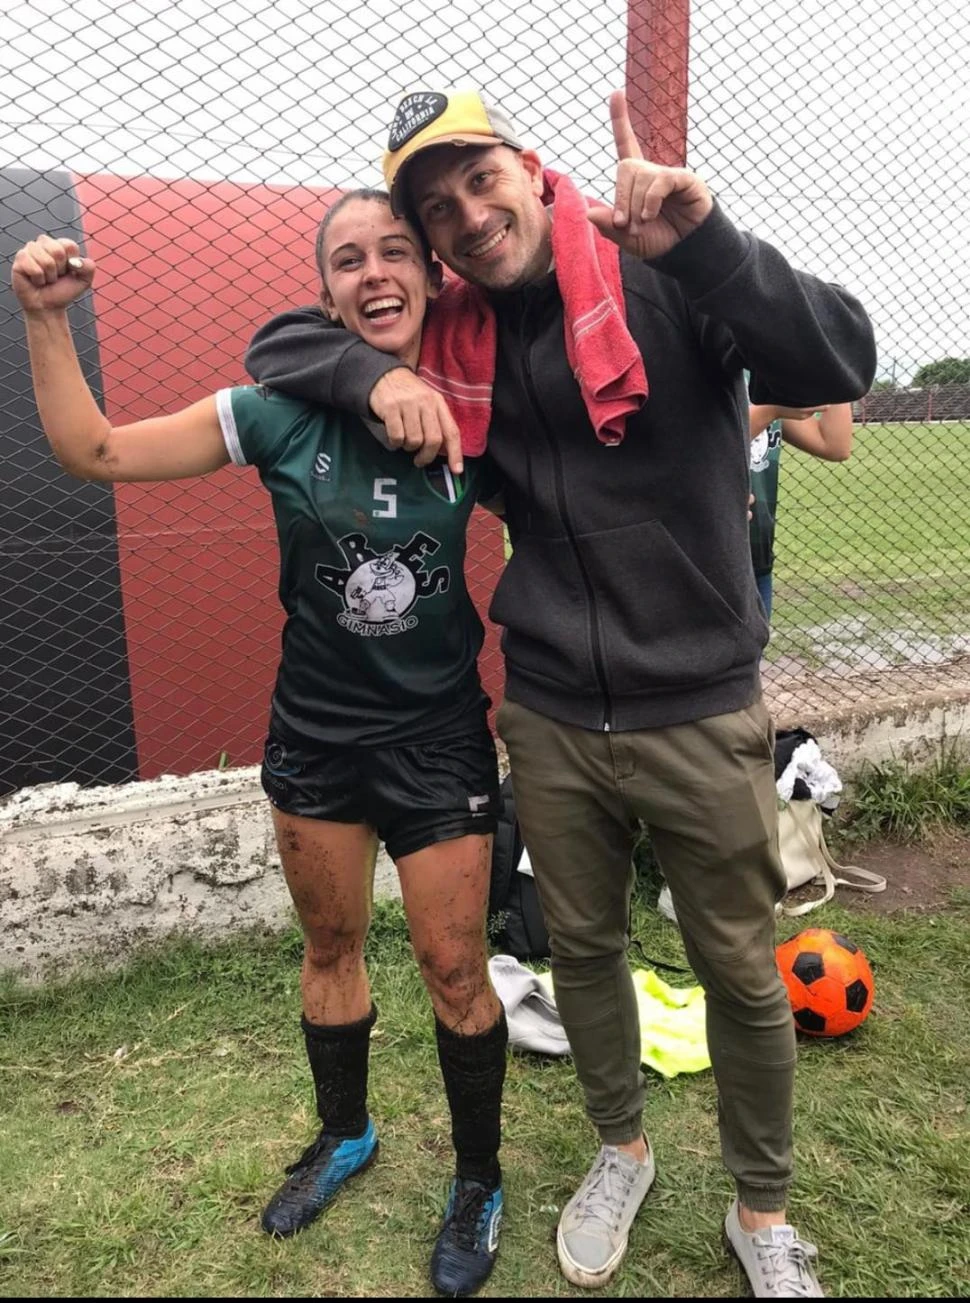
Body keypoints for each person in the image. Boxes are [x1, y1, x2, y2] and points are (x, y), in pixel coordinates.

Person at [245, 86, 877, 1298]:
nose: (469, 216)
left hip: (695, 700)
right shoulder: (457, 336)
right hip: (546, 709)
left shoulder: (662, 271)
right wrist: (368, 379)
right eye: (438, 210)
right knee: (582, 952)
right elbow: (280, 347)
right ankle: (619, 1149)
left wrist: (707, 244)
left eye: (479, 181)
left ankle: (762, 1211)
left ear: (531, 171)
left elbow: (835, 360)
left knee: (741, 971)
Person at [10, 192, 510, 1299]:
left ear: (433, 276)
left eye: (394, 253)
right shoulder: (274, 409)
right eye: (347, 261)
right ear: (324, 290)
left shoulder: (480, 400)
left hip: (438, 741)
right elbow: (92, 451)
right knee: (330, 950)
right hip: (318, 742)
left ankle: (478, 1176)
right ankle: (344, 1134)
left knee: (454, 968)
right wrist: (45, 320)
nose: (373, 274)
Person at [748, 401, 854, 620]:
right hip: (694, 560)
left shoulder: (761, 376)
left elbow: (834, 444)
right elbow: (680, 439)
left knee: (751, 653)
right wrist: (771, 410)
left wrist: (839, 371)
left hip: (755, 558)